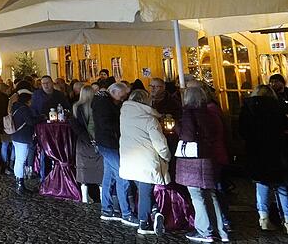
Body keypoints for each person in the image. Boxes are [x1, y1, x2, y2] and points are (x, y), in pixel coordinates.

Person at [175, 87, 229, 242]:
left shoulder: (189, 113)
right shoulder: (210, 112)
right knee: (210, 194)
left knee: (197, 195)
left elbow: (188, 135)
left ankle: (205, 231)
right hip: (208, 157)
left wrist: (177, 127)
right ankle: (220, 230)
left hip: (193, 160)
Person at [118, 89, 169, 236]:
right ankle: (144, 223)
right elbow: (160, 143)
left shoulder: (125, 114)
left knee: (143, 190)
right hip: (146, 161)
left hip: (129, 160)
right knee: (145, 192)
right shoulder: (149, 119)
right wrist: (167, 156)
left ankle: (154, 210)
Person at [240, 84, 288, 233]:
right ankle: (287, 220)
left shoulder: (248, 109)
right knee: (282, 187)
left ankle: (264, 219)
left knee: (262, 185)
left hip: (257, 152)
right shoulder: (279, 108)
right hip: (278, 151)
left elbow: (242, 131)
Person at [94, 81, 133, 224]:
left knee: (109, 177)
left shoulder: (101, 100)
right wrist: (119, 125)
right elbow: (106, 123)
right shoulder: (104, 103)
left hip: (105, 142)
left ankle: (107, 209)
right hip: (109, 142)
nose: (122, 100)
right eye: (121, 97)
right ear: (114, 92)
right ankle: (126, 212)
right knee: (122, 176)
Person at [71, 85, 103, 203]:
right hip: (96, 141)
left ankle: (85, 195)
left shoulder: (76, 107)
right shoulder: (96, 107)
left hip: (83, 141)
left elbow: (75, 125)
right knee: (99, 168)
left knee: (83, 168)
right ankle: (101, 195)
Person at [10, 89, 37, 194]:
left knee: (18, 160)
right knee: (21, 160)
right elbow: (30, 122)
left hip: (16, 136)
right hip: (23, 137)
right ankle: (20, 185)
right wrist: (40, 118)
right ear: (27, 100)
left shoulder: (16, 107)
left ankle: (19, 182)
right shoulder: (24, 109)